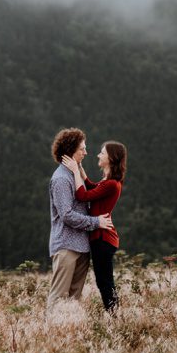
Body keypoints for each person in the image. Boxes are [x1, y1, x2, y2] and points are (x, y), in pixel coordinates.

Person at [47, 127, 113, 309]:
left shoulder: (74, 175)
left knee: (74, 298)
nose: (86, 152)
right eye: (82, 149)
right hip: (66, 246)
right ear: (70, 150)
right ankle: (53, 326)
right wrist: (96, 222)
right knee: (59, 296)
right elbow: (67, 215)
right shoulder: (61, 179)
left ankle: (71, 325)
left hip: (82, 246)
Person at [62, 140, 126, 312]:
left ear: (111, 158)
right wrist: (81, 172)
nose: (98, 155)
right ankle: (114, 314)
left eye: (102, 153)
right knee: (104, 280)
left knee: (104, 281)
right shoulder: (108, 181)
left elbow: (83, 195)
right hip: (102, 238)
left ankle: (114, 316)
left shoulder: (111, 184)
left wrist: (75, 171)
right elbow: (93, 188)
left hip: (103, 238)